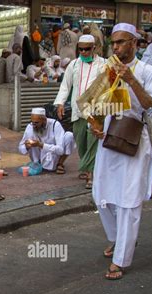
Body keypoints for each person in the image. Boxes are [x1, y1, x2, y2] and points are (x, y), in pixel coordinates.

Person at [90, 23, 152, 280]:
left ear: (134, 43)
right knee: (101, 194)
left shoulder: (149, 71)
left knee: (129, 201)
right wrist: (96, 124)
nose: (117, 47)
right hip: (109, 137)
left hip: (134, 138)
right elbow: (94, 104)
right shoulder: (108, 69)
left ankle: (121, 259)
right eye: (114, 43)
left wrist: (131, 79)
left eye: (121, 42)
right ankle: (119, 239)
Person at [54, 34, 106, 189]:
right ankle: (86, 165)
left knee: (92, 142)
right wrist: (60, 103)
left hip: (95, 110)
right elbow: (65, 85)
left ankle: (91, 174)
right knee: (80, 141)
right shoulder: (74, 64)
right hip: (77, 110)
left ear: (94, 48)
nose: (83, 52)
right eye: (81, 49)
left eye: (87, 49)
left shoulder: (103, 64)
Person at [18, 107, 75, 173]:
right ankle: (36, 163)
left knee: (69, 136)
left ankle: (60, 164)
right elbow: (21, 148)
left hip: (54, 153)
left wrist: (41, 145)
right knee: (31, 141)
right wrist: (26, 146)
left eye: (36, 123)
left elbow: (60, 150)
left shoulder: (55, 125)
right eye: (32, 122)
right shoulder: (30, 126)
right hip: (40, 154)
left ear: (44, 120)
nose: (34, 125)